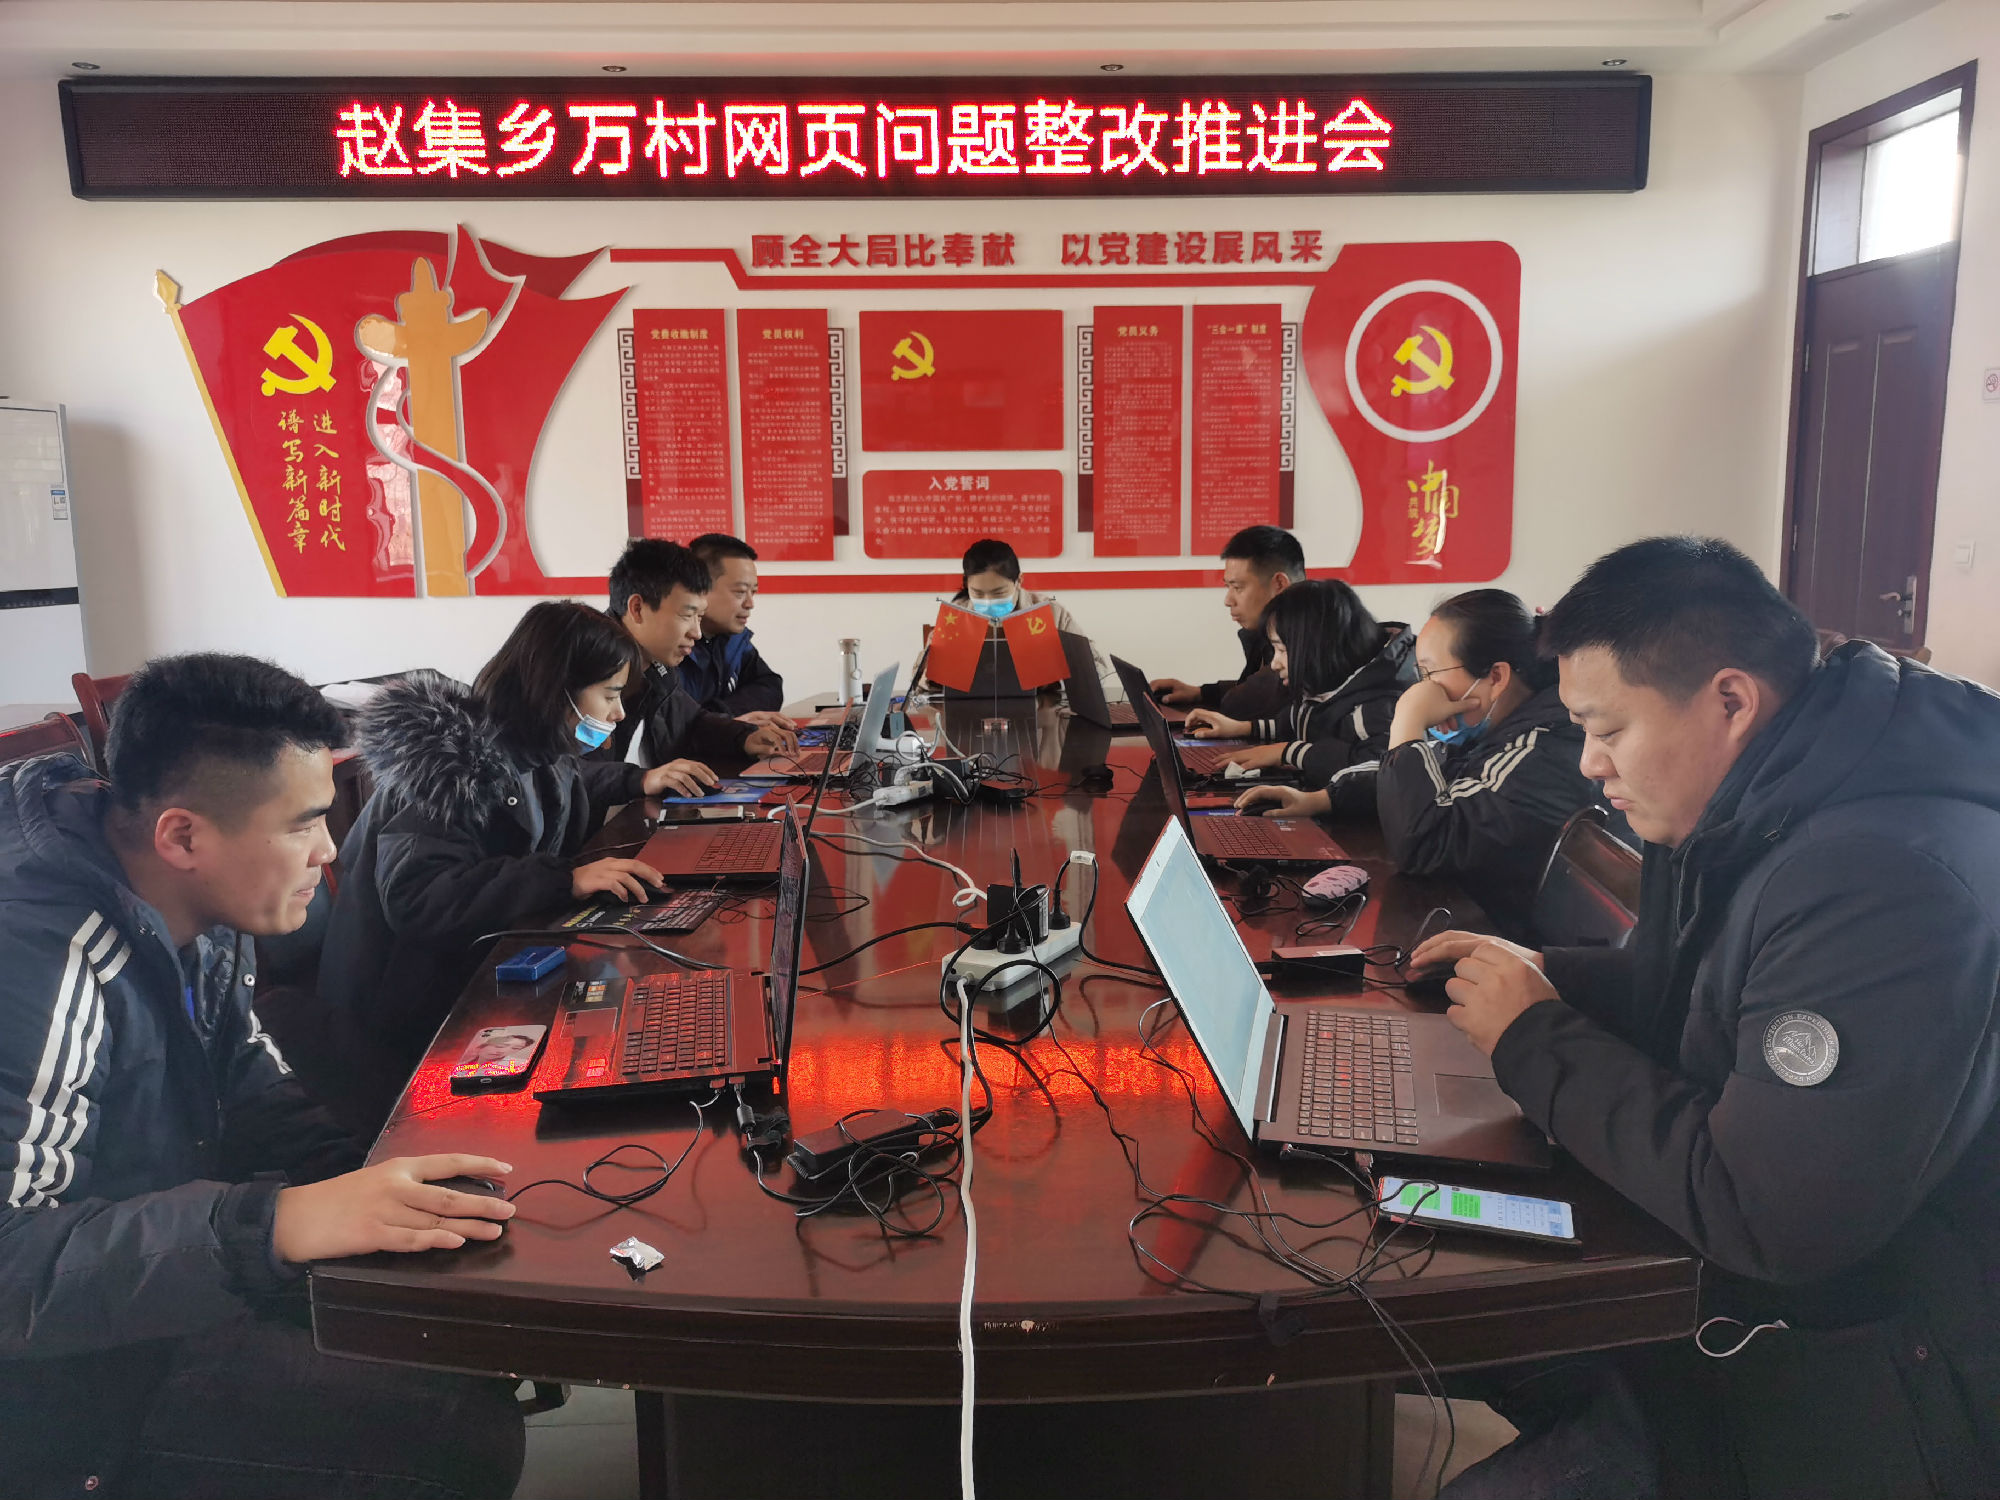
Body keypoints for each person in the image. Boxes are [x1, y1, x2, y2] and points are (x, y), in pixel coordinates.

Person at [1411, 537, 2000, 1499]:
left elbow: (1767, 1215)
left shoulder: (1882, 880)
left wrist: (1534, 1037)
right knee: (1391, 1296)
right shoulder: (1753, 799)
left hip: (1847, 1380)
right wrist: (1540, 974)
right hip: (1718, 1296)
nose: (1590, 764)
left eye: (1607, 729)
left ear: (1730, 701)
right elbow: (1697, 993)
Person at [0, 653, 523, 1500]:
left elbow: (252, 1085)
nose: (330, 849)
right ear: (183, 836)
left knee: (451, 1333)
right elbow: (10, 1265)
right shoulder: (40, 957)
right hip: (63, 1399)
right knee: (455, 1429)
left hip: (138, 1296)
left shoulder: (197, 906)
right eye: (304, 824)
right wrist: (275, 1223)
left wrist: (372, 1183)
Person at [319, 601, 709, 1125]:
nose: (618, 713)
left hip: (470, 972)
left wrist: (636, 780)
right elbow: (418, 896)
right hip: (404, 1016)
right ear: (558, 689)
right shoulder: (449, 764)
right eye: (610, 694)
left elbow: (563, 780)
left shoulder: (528, 744)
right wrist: (563, 880)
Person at [1236, 589, 1606, 931]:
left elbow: (1424, 842)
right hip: (1464, 922)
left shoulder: (1539, 750)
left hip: (1506, 943)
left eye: (1431, 674)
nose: (1423, 690)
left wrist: (1408, 721)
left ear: (1495, 677)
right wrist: (1321, 799)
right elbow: (1424, 777)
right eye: (1421, 675)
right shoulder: (1491, 731)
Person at [1182, 577, 1413, 782]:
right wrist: (1243, 728)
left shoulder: (1383, 704)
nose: (1275, 663)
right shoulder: (1333, 680)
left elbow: (1376, 770)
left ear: (1318, 647)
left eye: (1282, 650)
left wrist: (1288, 752)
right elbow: (1307, 723)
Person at [603, 537, 797, 766]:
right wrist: (642, 780)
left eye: (700, 616)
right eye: (687, 615)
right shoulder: (591, 667)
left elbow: (692, 722)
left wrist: (745, 737)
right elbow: (576, 770)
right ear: (637, 609)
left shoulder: (657, 666)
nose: (696, 633)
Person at [1148, 524, 1302, 722]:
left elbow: (1241, 703)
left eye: (1237, 588)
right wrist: (1201, 693)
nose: (1228, 600)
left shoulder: (1305, 642)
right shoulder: (1270, 631)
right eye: (1227, 586)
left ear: (1279, 584)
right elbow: (1251, 689)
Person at [918, 537, 1102, 689]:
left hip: (1041, 712)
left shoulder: (1050, 612)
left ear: (1019, 581)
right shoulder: (956, 616)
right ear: (966, 584)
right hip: (971, 713)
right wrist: (937, 674)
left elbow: (1096, 667)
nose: (988, 601)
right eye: (978, 593)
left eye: (999, 593)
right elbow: (919, 678)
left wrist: (1057, 674)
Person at [677, 532, 790, 723]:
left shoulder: (733, 639)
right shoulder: (671, 645)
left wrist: (724, 717)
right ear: (699, 589)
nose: (750, 604)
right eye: (740, 592)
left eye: (753, 592)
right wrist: (724, 723)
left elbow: (770, 686)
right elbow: (674, 723)